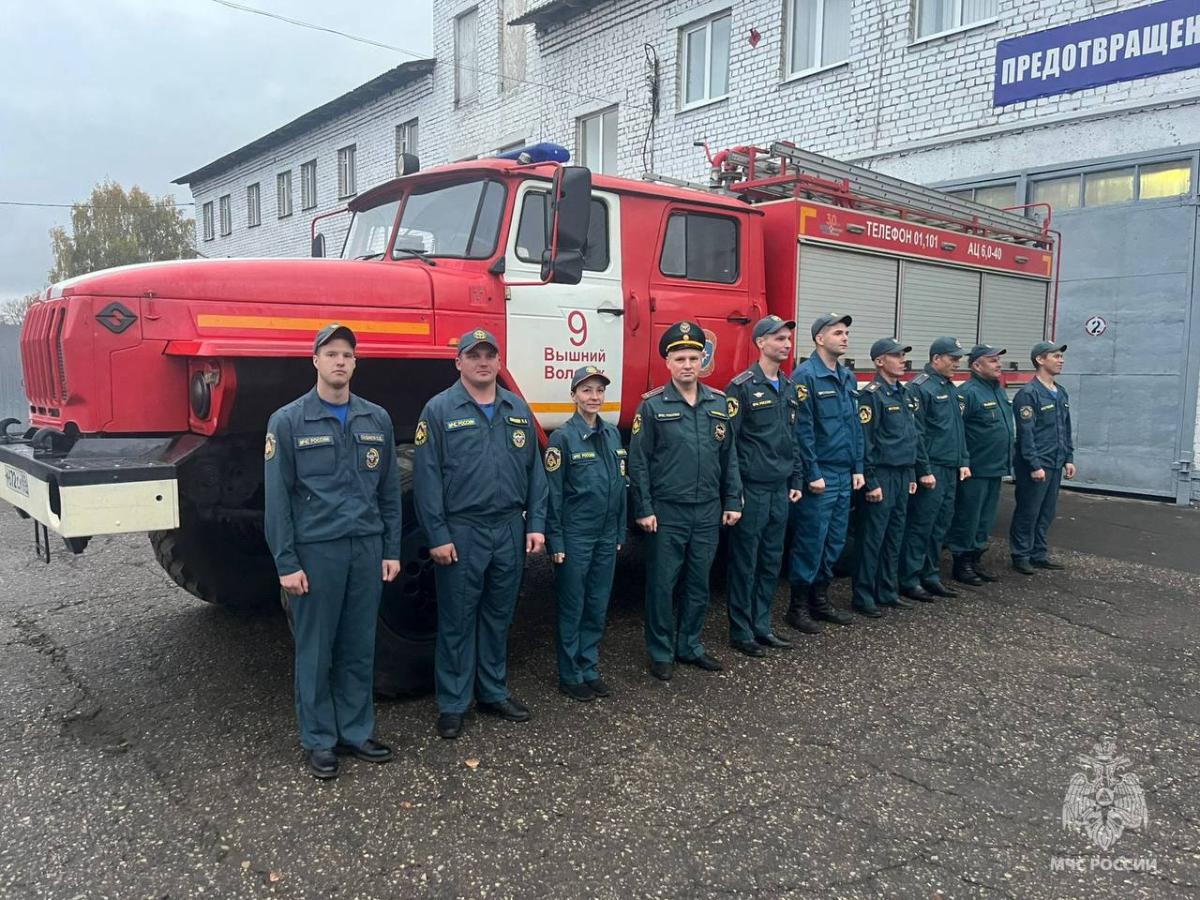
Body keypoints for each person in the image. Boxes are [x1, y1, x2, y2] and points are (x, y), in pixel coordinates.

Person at [264, 323, 403, 780]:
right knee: (316, 649)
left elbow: (389, 492)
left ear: (355, 363)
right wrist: (287, 562)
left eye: (347, 354)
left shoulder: (376, 419)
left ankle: (356, 732)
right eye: (331, 354)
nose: (339, 361)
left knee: (359, 645)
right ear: (315, 361)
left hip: (365, 548)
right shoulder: (288, 421)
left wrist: (391, 549)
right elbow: (278, 500)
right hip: (317, 551)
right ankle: (319, 740)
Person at [412, 328, 547, 740]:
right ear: (459, 362)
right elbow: (427, 479)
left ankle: (492, 692)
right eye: (474, 355)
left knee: (498, 615)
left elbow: (536, 473)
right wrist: (437, 534)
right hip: (463, 529)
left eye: (490, 355)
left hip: (508, 527)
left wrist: (535, 524)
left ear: (499, 362)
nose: (483, 362)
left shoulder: (517, 408)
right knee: (457, 619)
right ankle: (453, 703)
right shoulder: (439, 410)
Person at [628, 320, 742, 682]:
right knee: (662, 584)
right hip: (668, 511)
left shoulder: (719, 403)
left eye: (694, 357)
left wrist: (733, 500)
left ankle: (690, 645)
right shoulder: (651, 406)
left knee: (698, 582)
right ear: (668, 363)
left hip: (707, 509)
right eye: (680, 359)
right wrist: (643, 508)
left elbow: (729, 456)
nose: (688, 365)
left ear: (703, 360)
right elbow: (638, 462)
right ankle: (661, 651)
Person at [544, 365, 627, 701]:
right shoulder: (562, 438)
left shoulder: (612, 434)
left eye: (599, 390)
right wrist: (556, 540)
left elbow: (621, 487)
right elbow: (553, 495)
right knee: (573, 605)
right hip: (576, 535)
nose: (594, 397)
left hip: (606, 534)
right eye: (587, 390)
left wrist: (619, 531)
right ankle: (570, 674)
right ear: (574, 395)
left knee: (597, 603)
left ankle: (589, 667)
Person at [723, 315, 803, 656]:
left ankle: (762, 625)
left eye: (788, 339)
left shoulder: (789, 387)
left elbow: (792, 438)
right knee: (745, 562)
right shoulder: (741, 387)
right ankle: (741, 632)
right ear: (760, 343)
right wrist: (734, 492)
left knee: (771, 559)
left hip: (779, 487)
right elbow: (729, 445)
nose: (786, 344)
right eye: (779, 338)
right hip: (752, 488)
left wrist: (796, 477)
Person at [786, 314, 864, 631]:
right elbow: (802, 432)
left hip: (844, 472)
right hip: (821, 475)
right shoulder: (805, 376)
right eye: (837, 333)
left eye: (846, 333)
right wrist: (812, 472)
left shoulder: (847, 376)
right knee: (811, 541)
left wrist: (858, 467)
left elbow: (855, 426)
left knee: (834, 541)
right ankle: (797, 607)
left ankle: (820, 600)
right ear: (820, 339)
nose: (844, 338)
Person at [852, 338, 930, 617]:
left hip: (902, 473)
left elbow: (912, 437)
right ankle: (863, 596)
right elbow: (866, 442)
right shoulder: (871, 396)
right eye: (896, 356)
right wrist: (871, 482)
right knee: (872, 538)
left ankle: (887, 591)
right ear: (879, 361)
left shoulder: (905, 394)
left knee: (894, 536)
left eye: (903, 355)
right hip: (882, 475)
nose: (902, 360)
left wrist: (912, 473)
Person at [898, 337, 971, 602]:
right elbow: (916, 434)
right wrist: (924, 470)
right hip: (933, 469)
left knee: (940, 526)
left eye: (959, 359)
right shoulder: (920, 388)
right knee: (921, 525)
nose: (957, 363)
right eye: (952, 358)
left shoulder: (950, 388)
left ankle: (930, 575)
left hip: (950, 467)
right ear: (936, 358)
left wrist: (964, 460)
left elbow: (958, 430)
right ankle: (909, 579)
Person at [946, 344, 1014, 586]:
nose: (999, 364)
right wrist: (963, 462)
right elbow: (957, 432)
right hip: (975, 469)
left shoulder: (998, 391)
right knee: (968, 517)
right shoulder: (968, 393)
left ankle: (976, 558)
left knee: (985, 519)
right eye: (992, 360)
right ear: (976, 365)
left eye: (999, 360)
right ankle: (961, 563)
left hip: (995, 467)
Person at [1009, 341, 1075, 574]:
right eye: (1055, 356)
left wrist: (1068, 457)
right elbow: (1026, 435)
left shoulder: (1060, 392)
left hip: (1055, 462)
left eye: (1061, 356)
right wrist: (1034, 465)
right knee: (1028, 511)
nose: (1061, 360)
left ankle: (1038, 553)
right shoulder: (1029, 394)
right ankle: (1021, 555)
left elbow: (1065, 428)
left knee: (1047, 512)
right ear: (1040, 360)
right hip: (1036, 465)